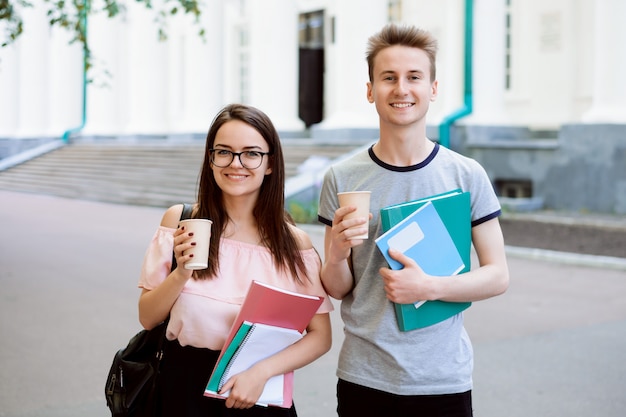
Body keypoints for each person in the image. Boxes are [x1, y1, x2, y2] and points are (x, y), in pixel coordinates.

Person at [317, 23, 509, 417]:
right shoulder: (342, 178)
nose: (401, 89)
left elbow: (497, 275)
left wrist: (429, 286)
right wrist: (336, 255)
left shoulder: (465, 175)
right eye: (388, 78)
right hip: (363, 378)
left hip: (442, 379)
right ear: (370, 90)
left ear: (432, 89)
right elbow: (337, 289)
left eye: (414, 77)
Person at [138, 103, 333, 416]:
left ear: (270, 163)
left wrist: (262, 371)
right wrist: (181, 273)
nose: (236, 163)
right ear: (211, 159)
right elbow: (147, 317)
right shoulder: (181, 221)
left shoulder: (293, 245)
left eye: (251, 153)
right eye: (224, 151)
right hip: (182, 387)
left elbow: (321, 336)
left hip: (258, 390)